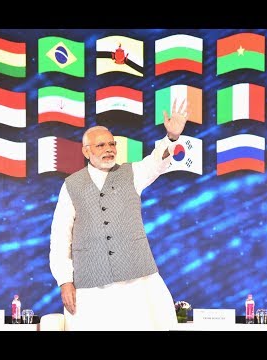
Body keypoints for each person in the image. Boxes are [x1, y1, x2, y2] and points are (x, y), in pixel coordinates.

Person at [49, 99, 189, 331]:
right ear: (86, 151)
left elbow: (157, 162)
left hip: (137, 279)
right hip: (91, 283)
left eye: (112, 144)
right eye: (101, 145)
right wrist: (65, 281)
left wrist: (171, 138)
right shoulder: (71, 185)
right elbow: (60, 236)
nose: (109, 149)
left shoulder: (133, 173)